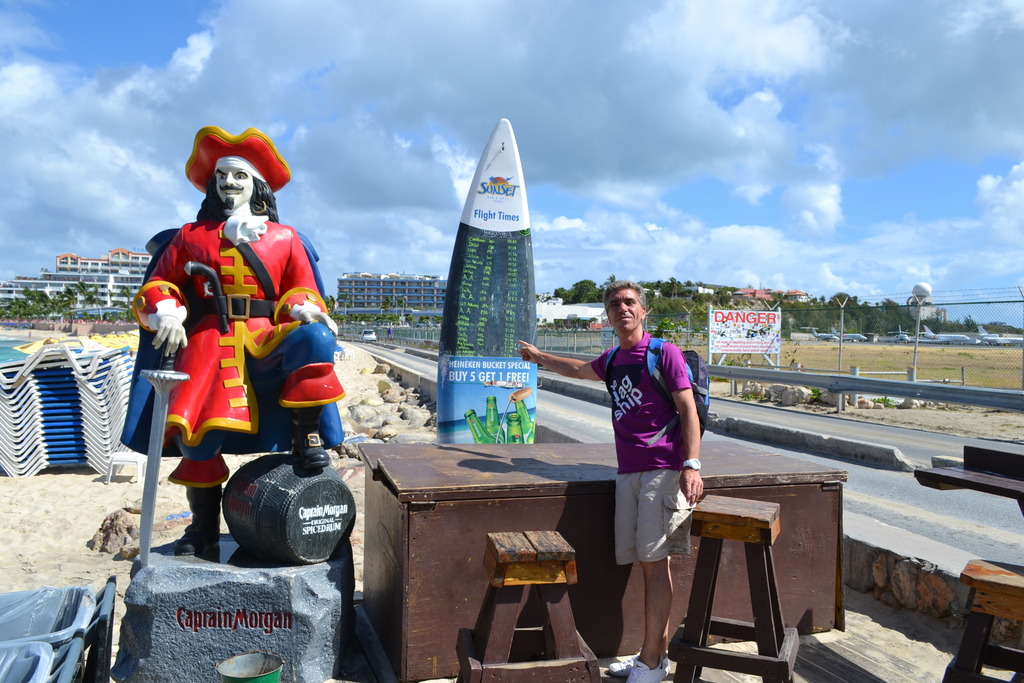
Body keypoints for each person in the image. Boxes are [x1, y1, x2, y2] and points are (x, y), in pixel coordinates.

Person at [121, 126, 346, 556]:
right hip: (209, 341)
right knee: (198, 439)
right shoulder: (189, 237)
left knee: (315, 338)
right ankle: (202, 529)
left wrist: (304, 307)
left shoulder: (286, 238)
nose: (228, 183)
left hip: (266, 340)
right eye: (222, 175)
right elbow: (160, 283)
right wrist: (167, 309)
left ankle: (306, 437)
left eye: (239, 176)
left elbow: (301, 288)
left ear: (256, 184)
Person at [518, 280, 702, 683]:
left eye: (630, 302)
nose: (623, 308)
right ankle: (653, 652)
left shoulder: (662, 353)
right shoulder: (615, 359)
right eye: (615, 303)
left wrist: (691, 464)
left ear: (643, 311)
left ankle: (652, 663)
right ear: (608, 315)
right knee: (648, 564)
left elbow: (688, 408)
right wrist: (537, 356)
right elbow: (580, 370)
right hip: (628, 473)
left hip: (662, 471)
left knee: (655, 566)